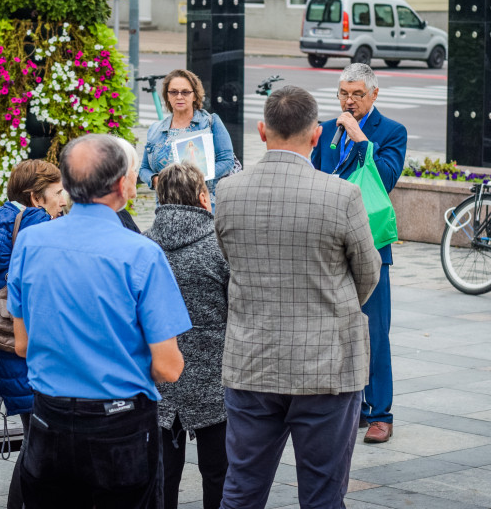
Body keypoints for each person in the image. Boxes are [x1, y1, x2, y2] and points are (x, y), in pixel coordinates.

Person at [214, 86, 381, 509]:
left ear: (261, 131)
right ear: (317, 135)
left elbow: (228, 264)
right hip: (326, 365)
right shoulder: (341, 194)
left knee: (242, 489)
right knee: (323, 495)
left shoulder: (228, 193)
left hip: (252, 360)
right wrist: (329, 301)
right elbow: (368, 274)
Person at [7, 134, 192, 509]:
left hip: (48, 418)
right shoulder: (142, 253)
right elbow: (169, 367)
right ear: (122, 185)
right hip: (119, 424)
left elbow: (22, 344)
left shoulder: (30, 243)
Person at [311, 63, 407, 444]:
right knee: (335, 330)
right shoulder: (325, 133)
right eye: (344, 94)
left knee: (375, 332)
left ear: (374, 94)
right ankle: (356, 410)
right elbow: (315, 178)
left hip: (371, 247)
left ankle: (381, 413)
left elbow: (384, 180)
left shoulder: (391, 132)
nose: (349, 102)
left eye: (357, 95)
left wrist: (360, 137)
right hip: (330, 248)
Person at [0, 159, 64, 509]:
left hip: (2, 341)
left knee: (35, 439)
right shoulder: (39, 225)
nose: (64, 200)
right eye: (56, 193)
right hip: (34, 344)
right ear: (35, 197)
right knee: (39, 446)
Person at [145, 162, 229, 509]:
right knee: (219, 475)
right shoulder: (219, 245)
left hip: (159, 378)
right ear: (202, 196)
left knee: (162, 478)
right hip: (215, 380)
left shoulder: (143, 246)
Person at [139, 69, 235, 203]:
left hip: (202, 205)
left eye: (185, 92)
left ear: (195, 95)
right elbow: (144, 169)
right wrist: (156, 180)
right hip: (165, 208)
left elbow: (227, 161)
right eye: (173, 92)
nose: (179, 97)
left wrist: (191, 179)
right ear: (167, 96)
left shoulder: (210, 123)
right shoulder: (155, 129)